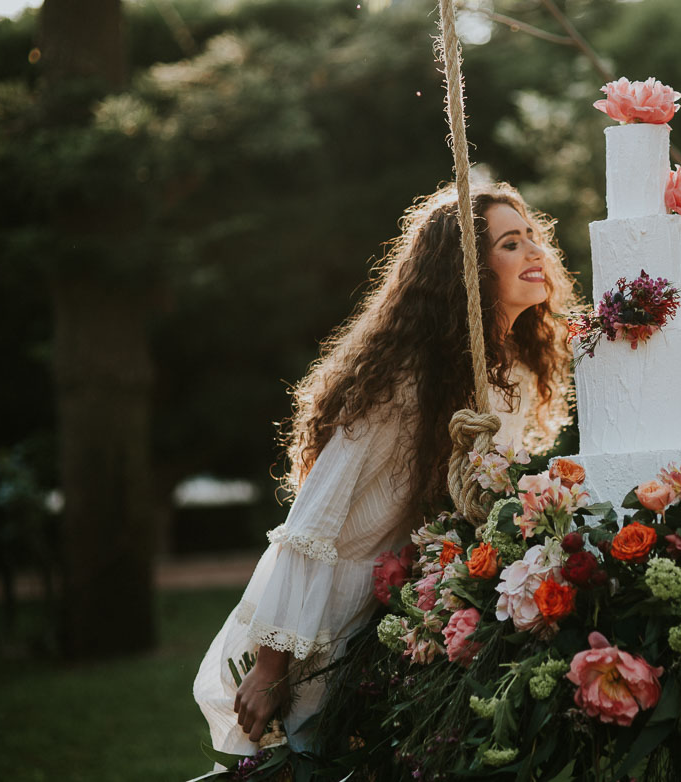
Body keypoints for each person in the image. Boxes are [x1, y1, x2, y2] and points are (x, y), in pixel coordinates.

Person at [193, 181, 578, 755]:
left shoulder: (515, 372)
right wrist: (272, 664)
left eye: (532, 238)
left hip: (407, 605)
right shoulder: (404, 380)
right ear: (464, 271)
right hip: (324, 613)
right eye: (510, 243)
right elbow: (315, 516)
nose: (533, 252)